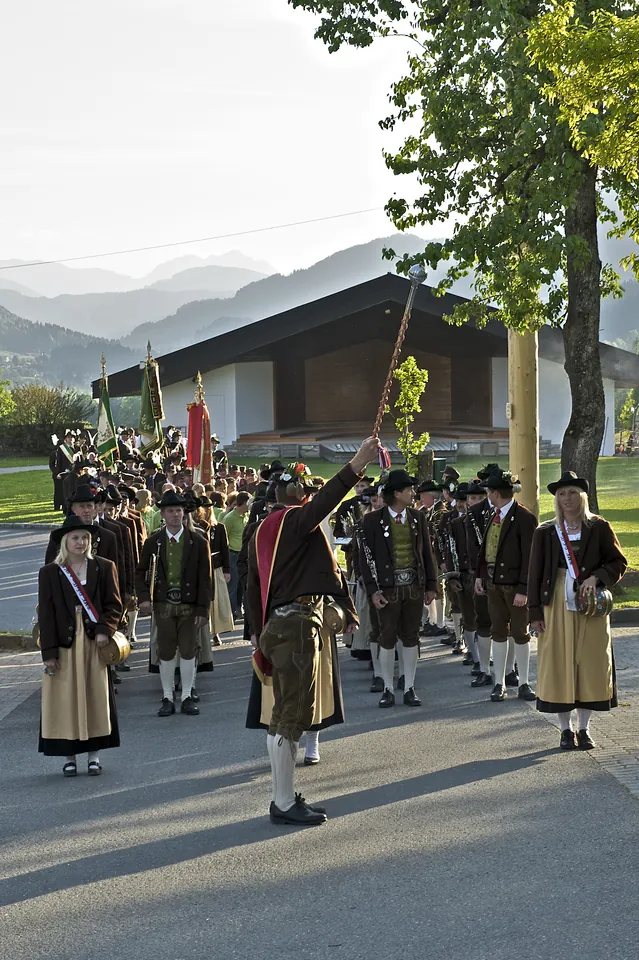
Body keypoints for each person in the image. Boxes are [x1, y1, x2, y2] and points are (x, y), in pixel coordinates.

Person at [246, 439, 379, 826]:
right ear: (298, 495)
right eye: (306, 493)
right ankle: (284, 802)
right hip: (299, 625)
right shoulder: (294, 521)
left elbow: (255, 588)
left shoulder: (261, 530)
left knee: (281, 716)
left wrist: (256, 631)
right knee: (291, 718)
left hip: (276, 625)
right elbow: (326, 502)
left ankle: (282, 796)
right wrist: (356, 464)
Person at [528, 471, 627, 749]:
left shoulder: (598, 526)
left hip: (590, 604)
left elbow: (618, 562)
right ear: (556, 499)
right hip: (556, 603)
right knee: (560, 664)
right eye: (562, 494)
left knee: (591, 662)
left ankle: (584, 729)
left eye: (572, 492)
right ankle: (564, 730)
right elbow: (534, 575)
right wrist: (535, 614)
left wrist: (597, 577)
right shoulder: (546, 531)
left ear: (581, 496)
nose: (567, 498)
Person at [38, 514, 122, 776]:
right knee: (65, 701)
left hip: (93, 646)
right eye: (75, 537)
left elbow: (114, 606)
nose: (81, 542)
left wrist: (104, 630)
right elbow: (46, 615)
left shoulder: (104, 567)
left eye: (85, 537)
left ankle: (94, 756)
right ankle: (69, 757)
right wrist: (49, 653)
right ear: (65, 542)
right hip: (64, 647)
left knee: (94, 697)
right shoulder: (50, 572)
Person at [359, 469, 438, 709]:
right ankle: (387, 688)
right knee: (386, 637)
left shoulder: (417, 518)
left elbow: (427, 553)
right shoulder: (372, 521)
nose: (413, 493)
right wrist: (373, 590)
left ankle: (410, 687)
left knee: (411, 637)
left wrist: (431, 585)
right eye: (409, 490)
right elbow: (365, 558)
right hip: (387, 589)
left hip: (413, 587)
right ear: (397, 493)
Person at [136, 490, 213, 717]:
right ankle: (167, 697)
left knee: (189, 650)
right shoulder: (153, 542)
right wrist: (143, 598)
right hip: (163, 605)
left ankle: (187, 695)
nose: (175, 515)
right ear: (162, 513)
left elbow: (205, 579)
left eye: (179, 511)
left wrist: (203, 609)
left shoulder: (198, 541)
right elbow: (140, 573)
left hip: (190, 606)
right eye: (171, 511)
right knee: (166, 651)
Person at [475, 468, 538, 703]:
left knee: (521, 634)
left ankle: (523, 682)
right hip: (493, 584)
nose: (487, 496)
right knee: (498, 632)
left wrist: (524, 589)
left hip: (515, 587)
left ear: (495, 493)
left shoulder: (523, 517)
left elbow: (530, 557)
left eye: (489, 492)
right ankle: (499, 682)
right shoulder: (494, 515)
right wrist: (481, 576)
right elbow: (486, 551)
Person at [223, 490, 250, 620]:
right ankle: (231, 613)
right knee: (233, 585)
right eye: (248, 503)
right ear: (243, 503)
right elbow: (224, 537)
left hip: (245, 555)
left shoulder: (247, 516)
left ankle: (242, 610)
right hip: (233, 554)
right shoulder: (229, 518)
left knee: (243, 585)